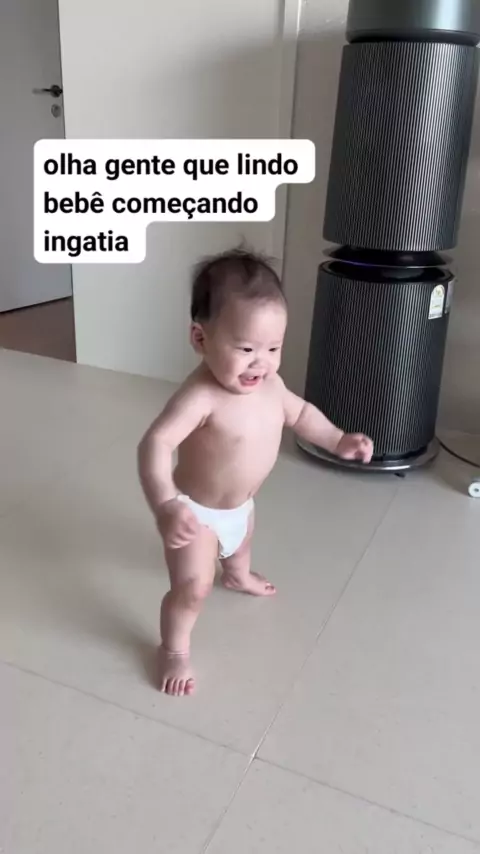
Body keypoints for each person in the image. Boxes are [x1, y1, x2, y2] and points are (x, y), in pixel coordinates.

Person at [137, 248, 373, 697]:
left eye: (273, 348)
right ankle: (174, 648)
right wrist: (165, 504)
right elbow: (156, 443)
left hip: (241, 507)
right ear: (200, 338)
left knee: (240, 549)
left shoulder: (272, 385)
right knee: (193, 587)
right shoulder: (200, 397)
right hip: (195, 514)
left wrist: (338, 439)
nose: (260, 362)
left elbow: (301, 414)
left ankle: (238, 574)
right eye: (245, 349)